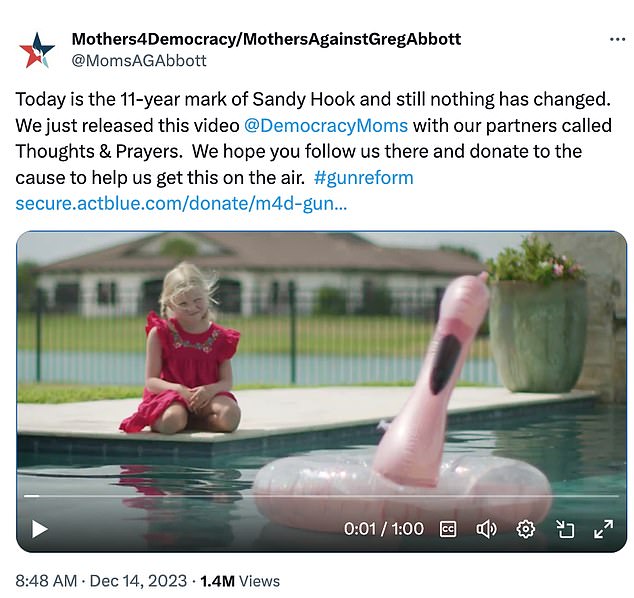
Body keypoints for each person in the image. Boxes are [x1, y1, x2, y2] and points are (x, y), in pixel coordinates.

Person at [119, 262, 241, 434]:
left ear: (207, 295)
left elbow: (226, 382)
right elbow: (151, 382)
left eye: (197, 300)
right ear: (170, 304)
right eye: (183, 303)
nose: (191, 307)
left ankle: (196, 423)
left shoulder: (221, 337)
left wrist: (208, 391)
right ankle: (174, 420)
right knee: (172, 420)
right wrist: (179, 390)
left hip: (207, 398)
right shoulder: (160, 333)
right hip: (170, 397)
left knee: (231, 415)